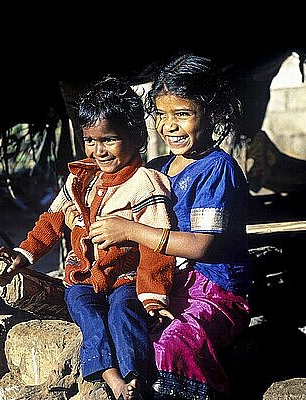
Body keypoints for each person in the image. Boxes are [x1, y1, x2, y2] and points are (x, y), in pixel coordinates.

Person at [0, 76, 176, 400]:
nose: (98, 150)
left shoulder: (146, 184)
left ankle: (135, 377)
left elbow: (158, 246)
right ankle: (112, 377)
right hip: (84, 280)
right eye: (90, 140)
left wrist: (154, 295)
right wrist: (24, 253)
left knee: (122, 311)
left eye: (109, 139)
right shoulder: (81, 180)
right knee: (84, 310)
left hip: (126, 279)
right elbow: (53, 219)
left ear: (136, 136)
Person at [81, 54, 252, 399]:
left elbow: (203, 246)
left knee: (175, 342)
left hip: (214, 289)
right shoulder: (157, 168)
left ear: (213, 115)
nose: (169, 125)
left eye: (183, 114)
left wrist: (130, 230)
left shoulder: (217, 169)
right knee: (123, 325)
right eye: (161, 114)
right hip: (164, 282)